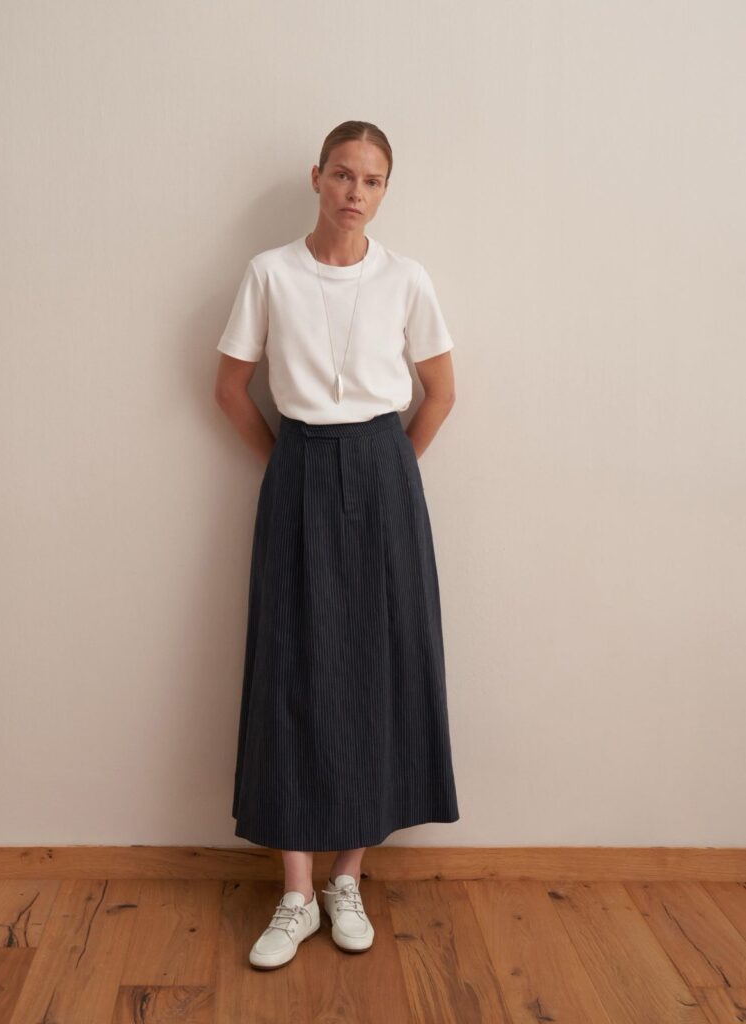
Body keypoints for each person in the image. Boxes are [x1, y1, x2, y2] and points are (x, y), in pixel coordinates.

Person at [214, 120, 459, 970]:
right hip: (300, 468)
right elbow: (230, 387)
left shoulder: (406, 278)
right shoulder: (269, 274)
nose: (356, 192)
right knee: (291, 665)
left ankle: (345, 879)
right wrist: (290, 468)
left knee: (376, 666)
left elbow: (439, 392)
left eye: (373, 180)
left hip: (384, 473)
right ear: (316, 177)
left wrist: (388, 472)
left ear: (385, 191)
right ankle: (294, 894)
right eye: (344, 174)